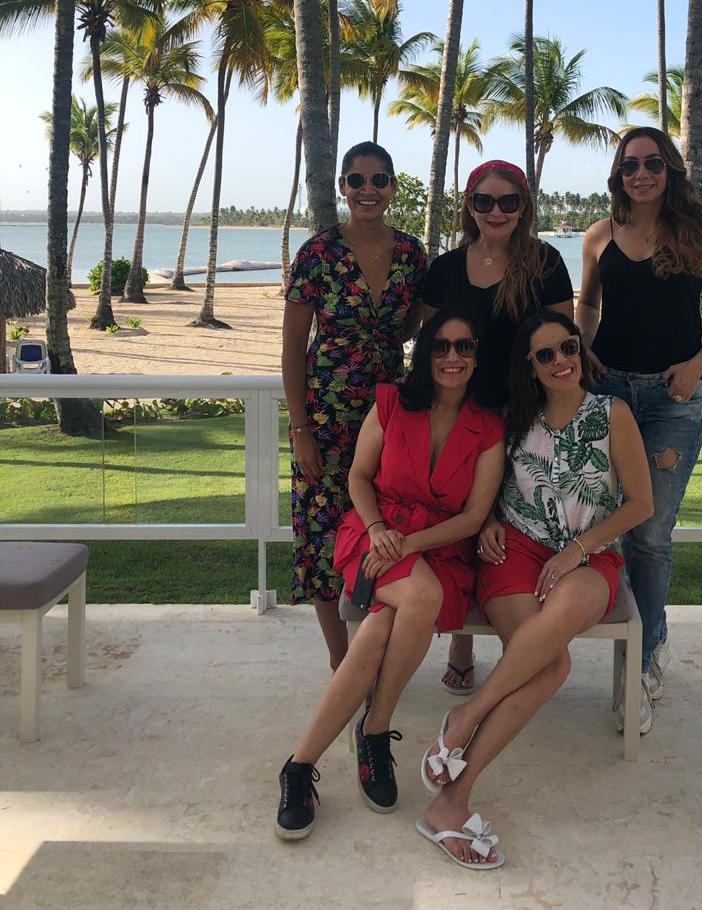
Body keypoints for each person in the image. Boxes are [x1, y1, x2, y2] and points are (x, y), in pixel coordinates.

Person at [416, 311, 653, 870]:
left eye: (567, 347)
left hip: (590, 555)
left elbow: (641, 504)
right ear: (530, 365)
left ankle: (464, 718)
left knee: (565, 621)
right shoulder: (514, 419)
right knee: (551, 668)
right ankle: (451, 804)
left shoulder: (611, 414)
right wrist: (492, 520)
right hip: (513, 556)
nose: (561, 361)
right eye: (545, 354)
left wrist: (579, 548)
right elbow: (490, 495)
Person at [275, 308, 505, 840]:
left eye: (464, 347)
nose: (453, 357)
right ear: (425, 353)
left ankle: (300, 766)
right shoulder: (391, 401)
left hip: (441, 550)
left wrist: (407, 543)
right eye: (442, 346)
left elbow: (472, 517)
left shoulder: (489, 424)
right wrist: (380, 529)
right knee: (418, 596)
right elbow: (358, 476)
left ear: (476, 356)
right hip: (372, 534)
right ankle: (374, 734)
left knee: (381, 626)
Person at [577, 127, 702, 732]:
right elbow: (588, 305)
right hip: (609, 394)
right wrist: (584, 347)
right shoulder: (599, 235)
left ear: (670, 170)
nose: (639, 174)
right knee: (608, 523)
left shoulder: (701, 233)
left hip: (673, 398)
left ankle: (641, 663)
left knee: (650, 535)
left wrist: (697, 365)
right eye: (628, 165)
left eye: (651, 163)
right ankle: (645, 639)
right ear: (617, 173)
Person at [419, 160, 574, 693]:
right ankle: (461, 640)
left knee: (514, 526)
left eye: (509, 201)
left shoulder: (546, 262)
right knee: (464, 520)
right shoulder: (443, 269)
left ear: (524, 206)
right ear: (469, 205)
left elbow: (562, 338)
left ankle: (524, 631)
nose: (496, 211)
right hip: (463, 416)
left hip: (528, 417)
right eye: (484, 200)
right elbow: (427, 342)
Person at [282, 142, 426, 671]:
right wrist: (300, 428)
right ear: (343, 186)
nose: (369, 190)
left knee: (381, 526)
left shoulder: (412, 254)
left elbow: (412, 325)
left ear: (393, 187)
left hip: (390, 411)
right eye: (358, 179)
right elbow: (293, 346)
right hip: (325, 412)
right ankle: (342, 662)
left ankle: (375, 650)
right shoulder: (317, 254)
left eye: (380, 179)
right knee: (322, 533)